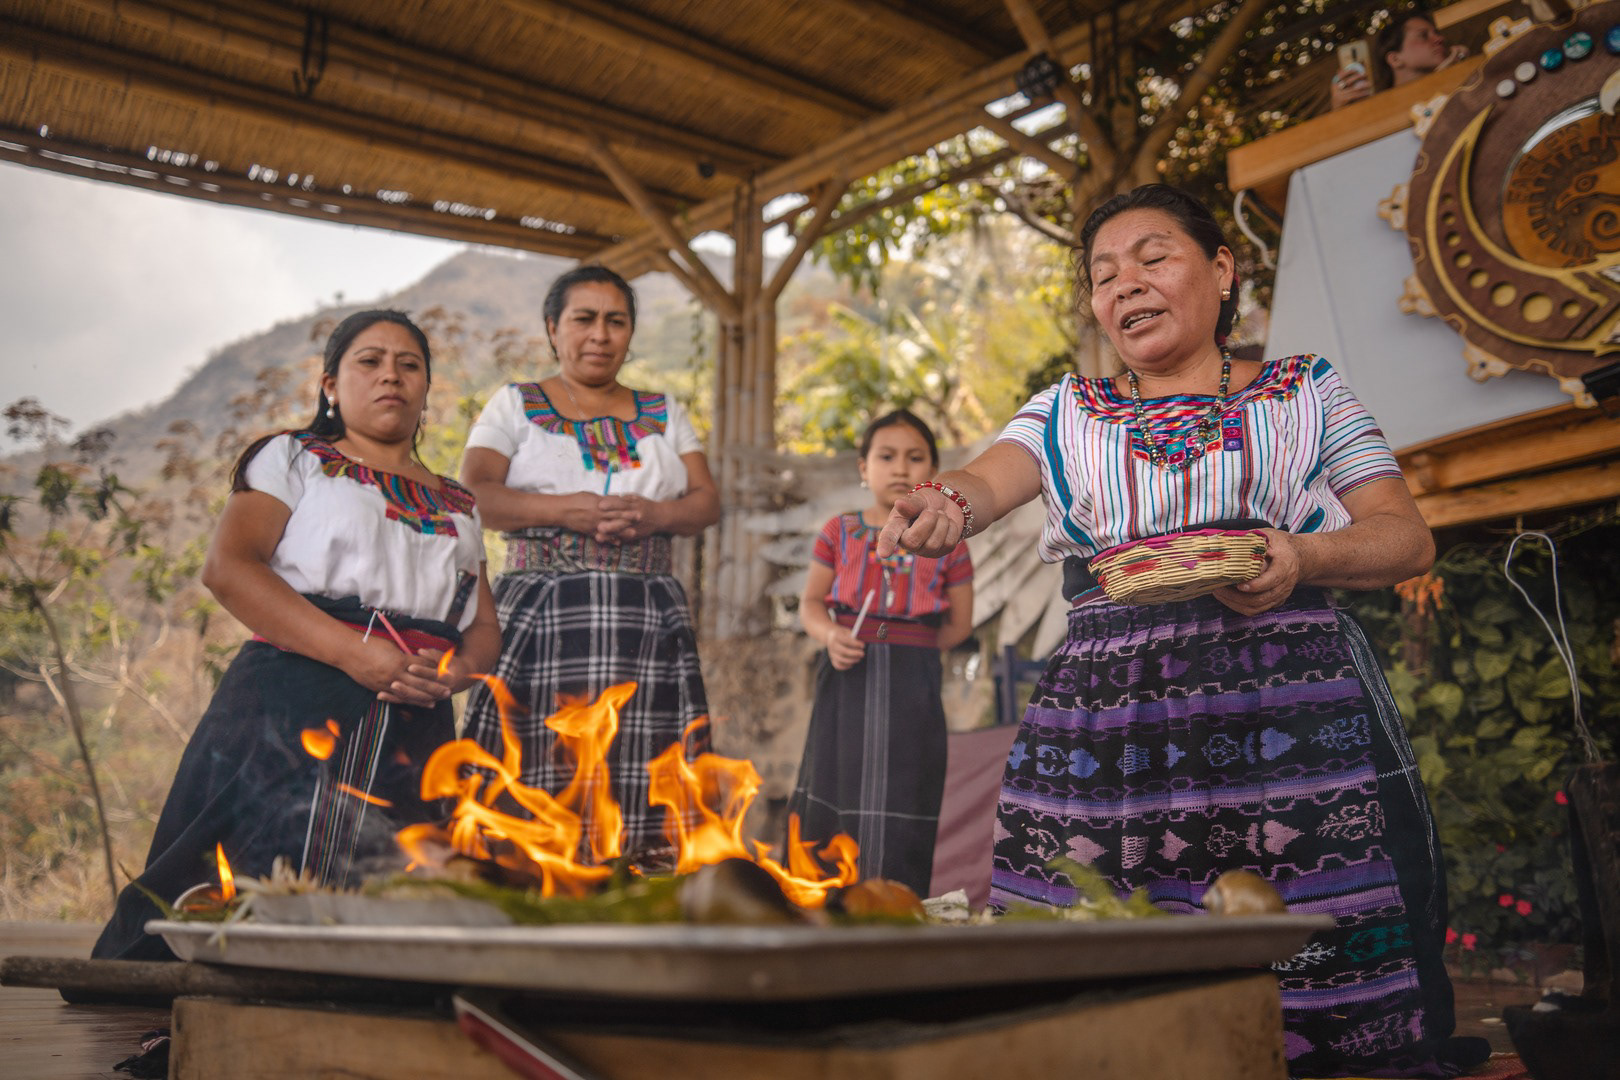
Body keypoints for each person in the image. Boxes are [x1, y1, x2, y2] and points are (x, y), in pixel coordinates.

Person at [877, 185, 1488, 1077]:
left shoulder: (1306, 389)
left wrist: (1303, 555)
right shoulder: (1065, 411)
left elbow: (1405, 537)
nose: (1125, 284)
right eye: (1103, 275)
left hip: (1293, 717)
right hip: (1105, 725)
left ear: (1222, 269)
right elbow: (984, 480)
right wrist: (941, 503)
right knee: (1092, 946)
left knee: (1310, 948)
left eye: (1153, 257)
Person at [90, 310, 502, 962]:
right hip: (291, 699)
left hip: (415, 716)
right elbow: (230, 568)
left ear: (426, 388)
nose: (391, 375)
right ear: (330, 385)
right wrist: (354, 654)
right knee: (243, 870)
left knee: (393, 886)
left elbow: (482, 626)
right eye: (370, 361)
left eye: (409, 365)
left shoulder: (459, 503)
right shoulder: (295, 459)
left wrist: (451, 676)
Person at [460, 266, 719, 859]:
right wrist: (564, 510)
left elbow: (707, 502)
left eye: (615, 321)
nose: (600, 334)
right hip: (544, 615)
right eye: (584, 319)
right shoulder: (515, 404)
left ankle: (634, 894)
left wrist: (656, 515)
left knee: (643, 776)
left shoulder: (664, 410)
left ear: (630, 333)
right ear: (553, 328)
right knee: (536, 772)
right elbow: (474, 495)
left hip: (646, 619)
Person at [786, 410, 974, 896]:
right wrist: (830, 636)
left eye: (915, 458)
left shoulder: (948, 541)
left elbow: (959, 625)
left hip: (915, 683)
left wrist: (913, 651)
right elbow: (810, 604)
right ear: (863, 468)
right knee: (836, 780)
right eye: (886, 457)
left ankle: (895, 904)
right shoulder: (838, 531)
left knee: (907, 789)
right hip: (847, 672)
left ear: (933, 472)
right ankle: (827, 905)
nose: (900, 468)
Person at [1331, 10, 1469, 109]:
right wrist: (1340, 113)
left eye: (1437, 33)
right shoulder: (1380, 111)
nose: (1440, 39)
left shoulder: (1458, 84)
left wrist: (1463, 73)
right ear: (1395, 59)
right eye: (1423, 35)